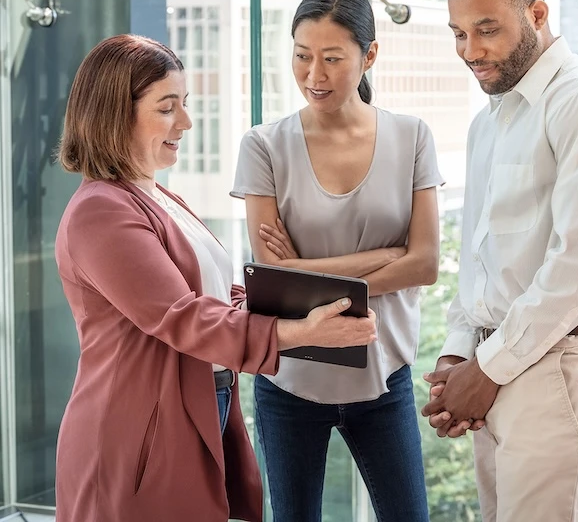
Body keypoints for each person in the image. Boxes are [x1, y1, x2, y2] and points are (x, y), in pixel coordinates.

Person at [53, 34, 377, 522]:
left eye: (185, 105)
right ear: (114, 113)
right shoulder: (101, 211)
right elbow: (182, 315)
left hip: (196, 403)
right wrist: (296, 333)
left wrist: (301, 304)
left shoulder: (157, 196)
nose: (185, 121)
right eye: (167, 108)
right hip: (136, 426)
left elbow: (212, 293)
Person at [420, 0, 578, 522]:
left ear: (538, 15)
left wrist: (487, 367)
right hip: (499, 361)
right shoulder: (488, 122)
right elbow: (476, 256)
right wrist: (458, 355)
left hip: (565, 365)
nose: (470, 51)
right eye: (457, 33)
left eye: (486, 29)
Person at [231, 0, 443, 522]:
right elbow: (274, 279)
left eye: (332, 58)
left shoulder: (412, 137)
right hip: (289, 379)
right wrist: (384, 256)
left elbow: (425, 264)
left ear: (369, 55)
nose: (313, 76)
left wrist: (304, 269)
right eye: (302, 56)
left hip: (383, 375)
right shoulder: (263, 145)